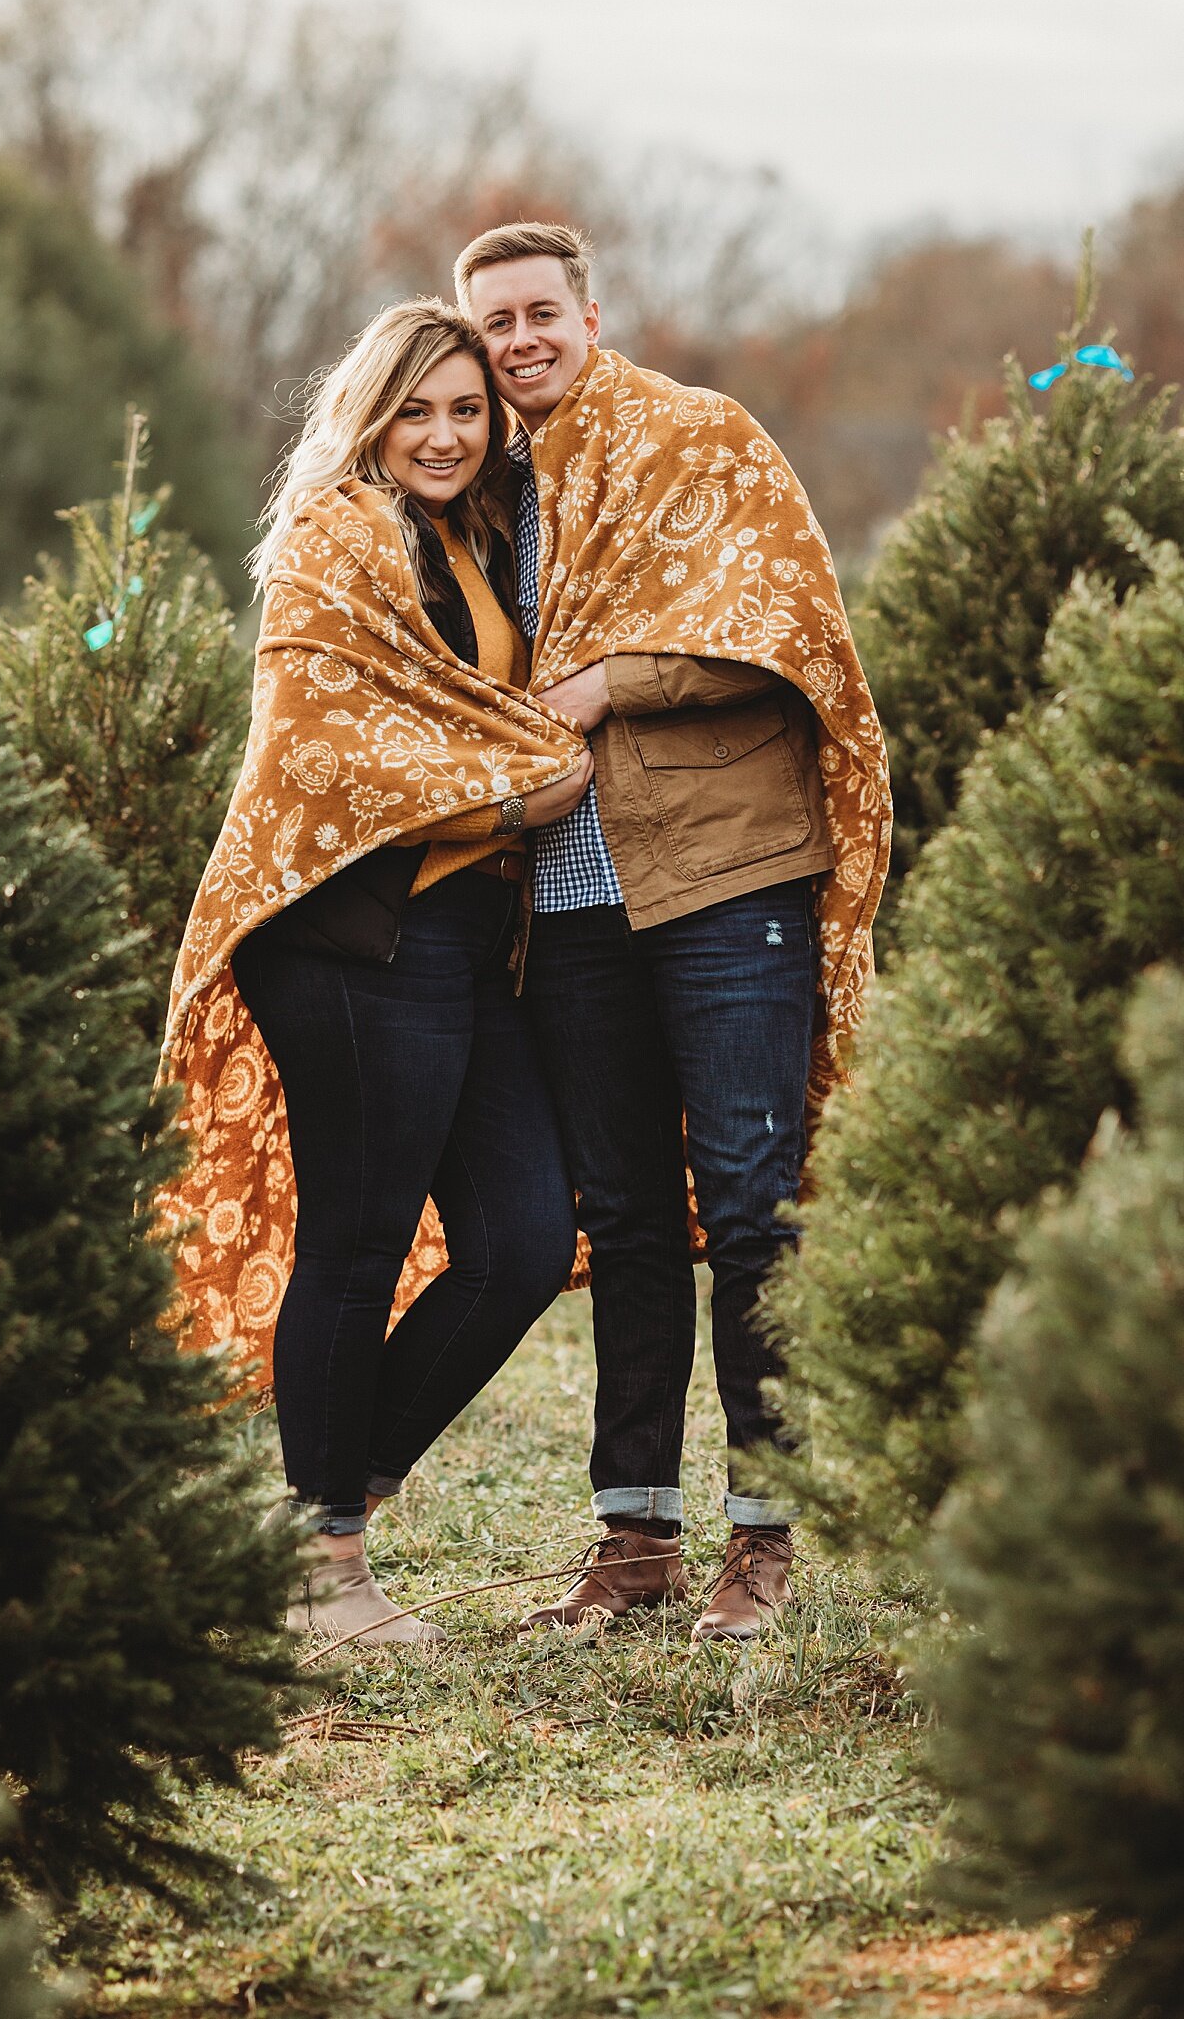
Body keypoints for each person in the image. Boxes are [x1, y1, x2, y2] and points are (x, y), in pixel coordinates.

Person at [454, 222, 892, 1642]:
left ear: (589, 310)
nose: (519, 341)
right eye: (494, 323)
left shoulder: (701, 439)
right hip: (569, 903)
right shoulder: (490, 495)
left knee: (755, 1204)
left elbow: (786, 631)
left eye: (539, 313)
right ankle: (633, 1535)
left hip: (723, 881)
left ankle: (762, 1539)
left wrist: (600, 685)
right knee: (630, 1217)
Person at [158, 301, 592, 1647]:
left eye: (468, 408)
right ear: (373, 414)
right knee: (355, 1241)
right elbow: (329, 750)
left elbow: (470, 714)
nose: (448, 433)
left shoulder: (480, 535)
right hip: (355, 936)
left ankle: (329, 1497)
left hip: (466, 942)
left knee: (523, 1237)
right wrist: (519, 799)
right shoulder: (338, 534)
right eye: (420, 409)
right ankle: (326, 1568)